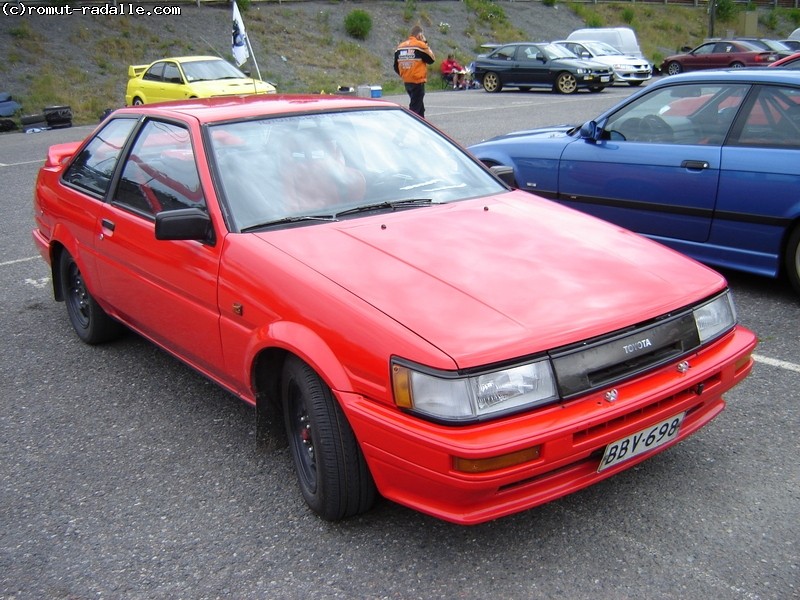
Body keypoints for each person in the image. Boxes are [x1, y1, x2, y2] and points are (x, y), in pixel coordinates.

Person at [393, 25, 435, 118]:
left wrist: (405, 74)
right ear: (420, 35)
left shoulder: (400, 47)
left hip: (407, 81)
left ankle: (422, 123)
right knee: (415, 108)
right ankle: (411, 123)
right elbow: (431, 59)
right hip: (417, 81)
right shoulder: (420, 46)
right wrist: (425, 43)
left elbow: (395, 66)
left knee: (419, 107)